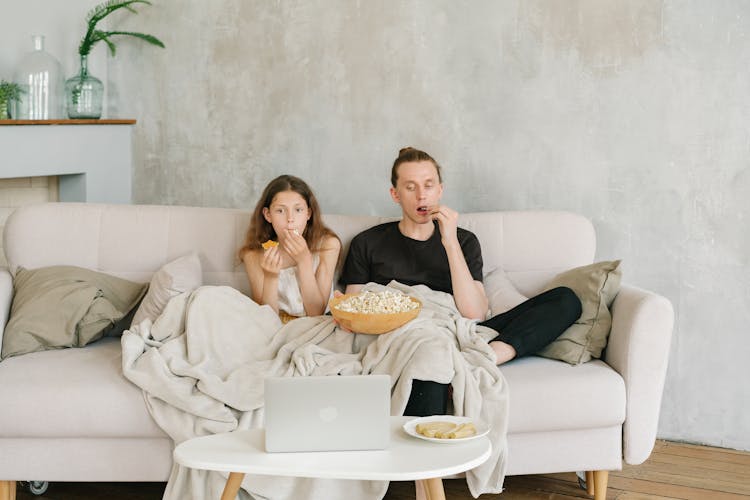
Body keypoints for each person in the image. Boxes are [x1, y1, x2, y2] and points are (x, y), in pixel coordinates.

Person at [339, 147, 582, 416]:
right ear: (395, 194)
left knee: (566, 300)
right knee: (431, 353)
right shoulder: (368, 242)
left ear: (440, 190)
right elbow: (354, 309)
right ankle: (429, 446)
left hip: (463, 333)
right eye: (410, 187)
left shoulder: (463, 240)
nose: (422, 195)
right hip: (406, 336)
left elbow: (475, 312)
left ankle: (482, 358)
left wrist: (449, 241)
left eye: (428, 185)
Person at [239, 174, 341, 322]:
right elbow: (266, 319)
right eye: (280, 211)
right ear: (268, 215)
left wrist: (304, 261)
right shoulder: (253, 255)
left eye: (298, 210)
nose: (290, 219)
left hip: (317, 324)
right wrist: (271, 277)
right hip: (276, 327)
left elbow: (316, 312)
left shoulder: (328, 245)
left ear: (308, 213)